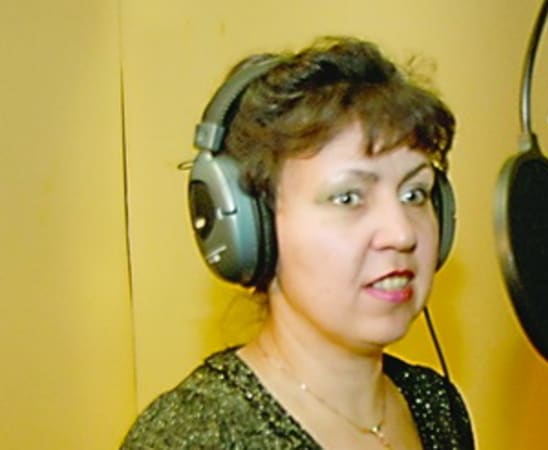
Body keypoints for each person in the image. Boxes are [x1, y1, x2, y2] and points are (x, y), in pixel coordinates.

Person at [121, 36, 474, 449]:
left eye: (414, 194)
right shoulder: (189, 438)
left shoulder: (435, 403)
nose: (402, 233)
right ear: (255, 229)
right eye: (348, 198)